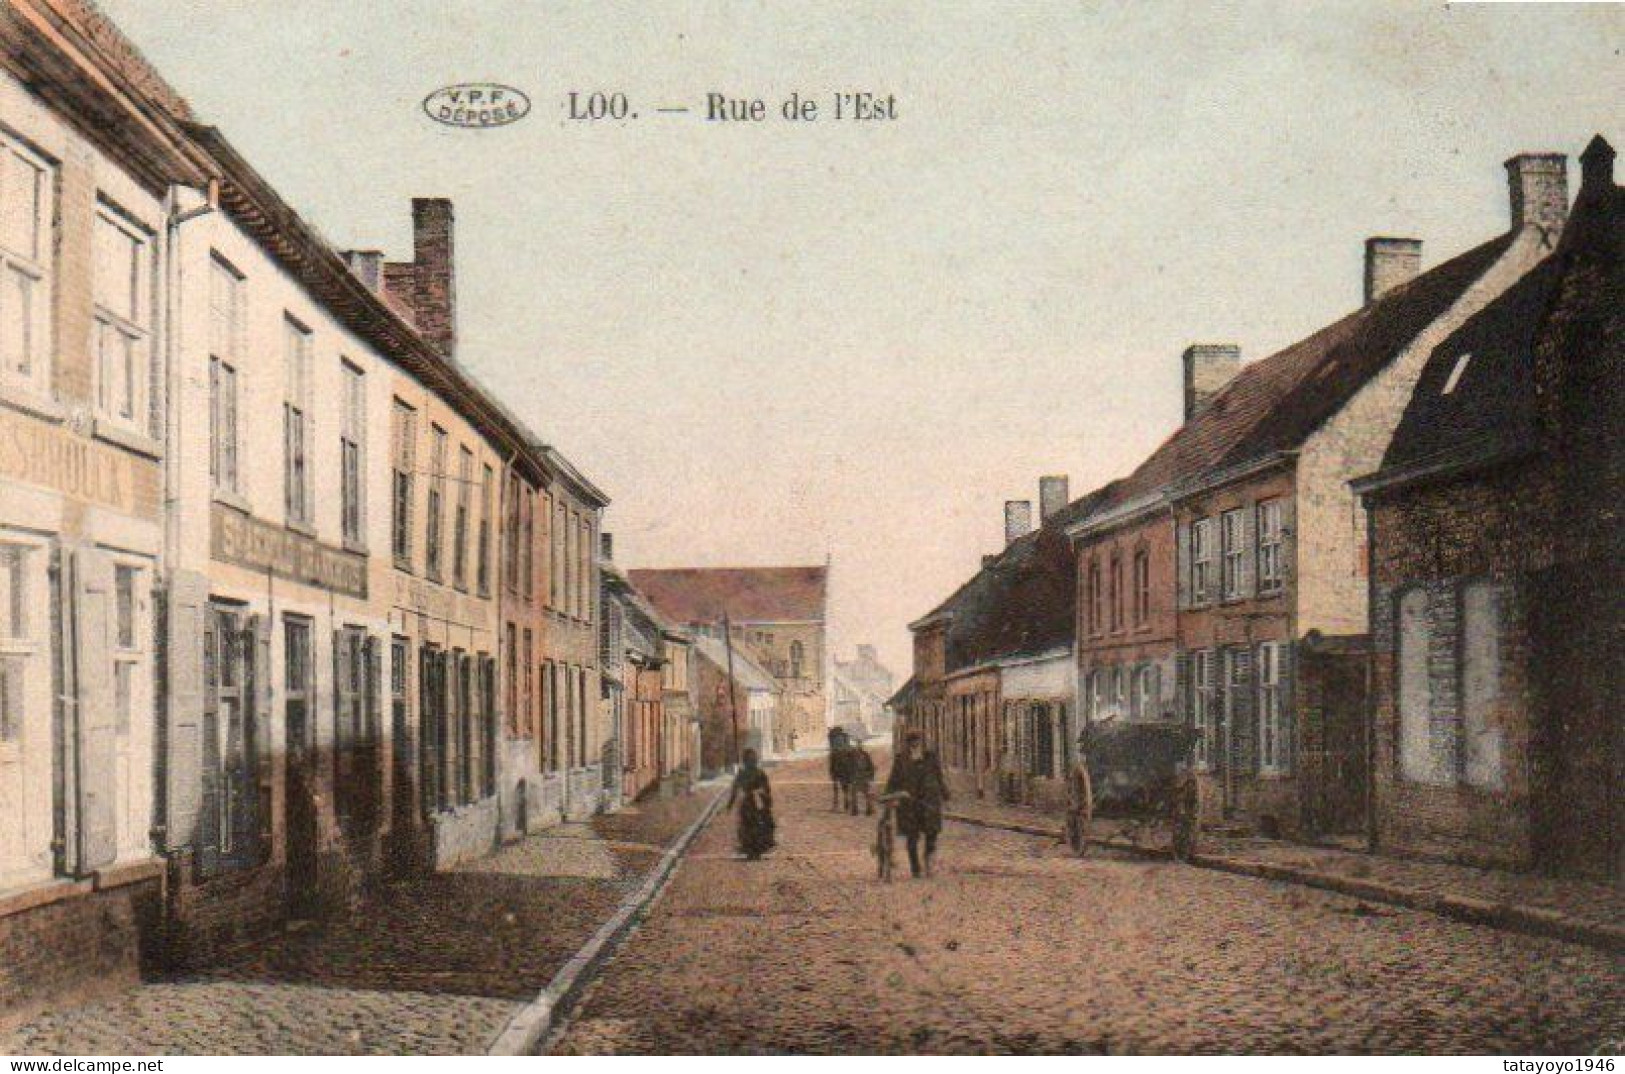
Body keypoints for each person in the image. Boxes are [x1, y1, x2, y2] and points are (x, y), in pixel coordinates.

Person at [884, 731, 948, 878]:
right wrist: (889, 795)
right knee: (912, 837)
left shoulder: (931, 757)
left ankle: (928, 863)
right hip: (909, 802)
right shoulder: (901, 759)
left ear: (921, 743)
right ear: (908, 744)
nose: (915, 744)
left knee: (932, 834)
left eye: (918, 741)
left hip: (929, 801)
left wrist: (945, 794)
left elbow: (939, 776)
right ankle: (915, 868)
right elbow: (894, 778)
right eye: (912, 741)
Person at [727, 749, 775, 860]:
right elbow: (767, 789)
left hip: (748, 803)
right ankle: (756, 847)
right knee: (759, 824)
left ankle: (750, 847)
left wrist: (730, 804)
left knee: (747, 825)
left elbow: (735, 789)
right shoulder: (760, 773)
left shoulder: (743, 773)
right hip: (757, 803)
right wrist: (767, 800)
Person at [1169, 756, 1200, 863]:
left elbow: (1192, 797)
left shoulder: (1189, 779)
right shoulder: (1178, 781)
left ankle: (1185, 854)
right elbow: (1176, 795)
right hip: (1181, 811)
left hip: (1187, 811)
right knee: (1179, 832)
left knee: (1185, 832)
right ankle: (1180, 855)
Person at [847, 742, 876, 816]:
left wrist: (870, 775)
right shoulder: (852, 756)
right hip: (858, 777)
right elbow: (850, 767)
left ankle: (868, 809)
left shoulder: (865, 755)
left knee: (866, 793)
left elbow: (870, 766)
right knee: (856, 793)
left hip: (863, 777)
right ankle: (856, 809)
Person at [827, 727, 850, 811]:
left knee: (835, 781)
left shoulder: (832, 736)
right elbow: (848, 745)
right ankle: (846, 799)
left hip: (837, 756)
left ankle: (836, 804)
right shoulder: (845, 736)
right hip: (846, 754)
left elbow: (832, 748)